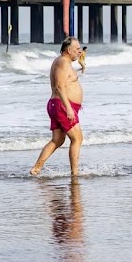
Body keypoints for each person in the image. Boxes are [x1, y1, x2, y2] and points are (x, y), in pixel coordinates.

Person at [30, 37, 84, 178]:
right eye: (77, 49)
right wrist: (69, 108)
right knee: (77, 138)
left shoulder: (65, 63)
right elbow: (59, 86)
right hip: (62, 105)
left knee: (58, 140)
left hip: (59, 105)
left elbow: (67, 81)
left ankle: (36, 169)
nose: (80, 51)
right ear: (68, 50)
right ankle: (75, 174)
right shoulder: (62, 62)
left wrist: (80, 67)